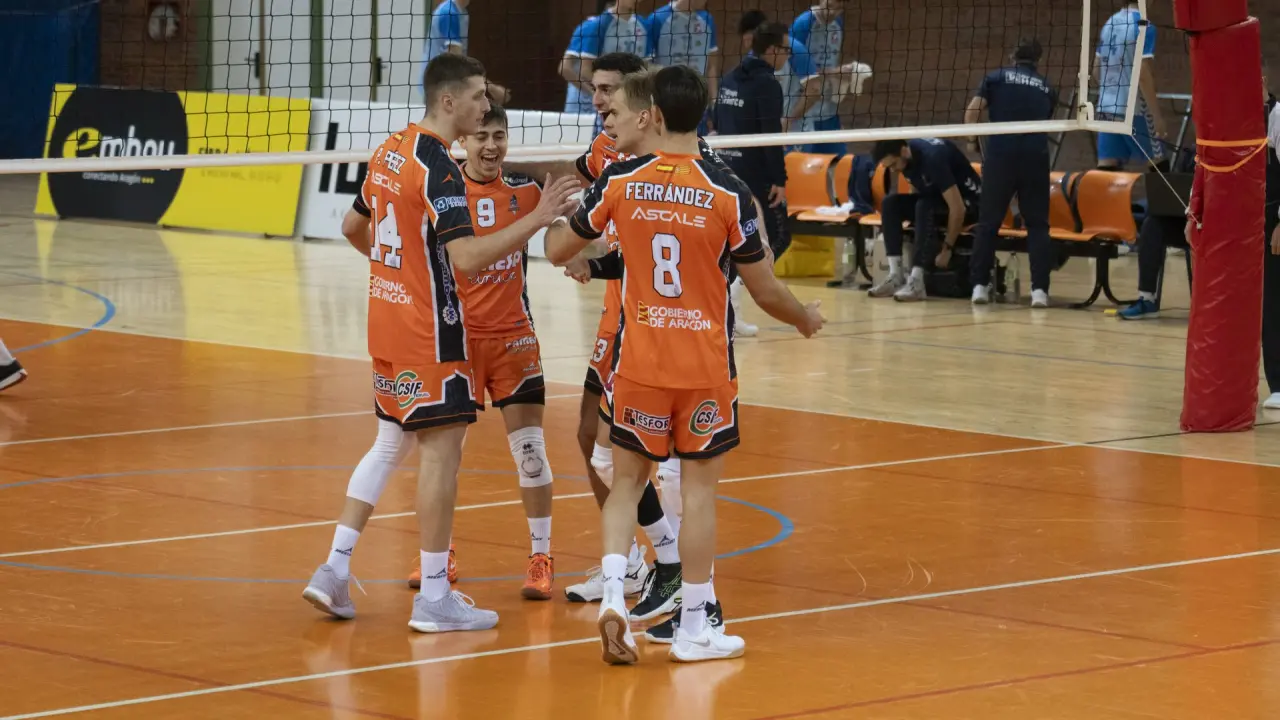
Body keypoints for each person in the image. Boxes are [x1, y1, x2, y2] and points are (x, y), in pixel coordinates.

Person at [544, 65, 825, 665]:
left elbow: (556, 248)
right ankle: (696, 626)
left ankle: (615, 596)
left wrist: (570, 229)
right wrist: (804, 318)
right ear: (704, 115)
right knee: (698, 493)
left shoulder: (621, 178)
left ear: (653, 115)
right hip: (704, 369)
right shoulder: (728, 189)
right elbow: (765, 289)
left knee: (625, 483)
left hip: (639, 363)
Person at [301, 53, 579, 632]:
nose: (486, 105)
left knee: (388, 444)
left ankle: (333, 569)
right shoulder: (438, 168)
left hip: (386, 323)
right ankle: (433, 596)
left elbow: (353, 228)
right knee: (439, 456)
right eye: (478, 96)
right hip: (432, 332)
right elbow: (468, 258)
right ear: (449, 102)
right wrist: (538, 218)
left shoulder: (388, 149)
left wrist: (400, 277)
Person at [508, 52, 683, 609]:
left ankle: (672, 568)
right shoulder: (609, 144)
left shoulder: (665, 154)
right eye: (595, 88)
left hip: (651, 323)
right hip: (616, 316)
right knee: (590, 437)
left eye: (608, 90)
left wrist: (587, 252)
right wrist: (516, 164)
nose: (598, 99)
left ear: (641, 101)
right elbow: (576, 172)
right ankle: (631, 563)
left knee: (647, 456)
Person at [400, 105, 557, 600]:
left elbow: (564, 232)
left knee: (531, 454)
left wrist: (579, 257)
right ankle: (439, 554)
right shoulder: (443, 192)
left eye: (499, 136)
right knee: (443, 460)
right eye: (481, 136)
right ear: (463, 140)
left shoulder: (528, 193)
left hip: (514, 340)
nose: (490, 146)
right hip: (458, 343)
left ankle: (541, 557)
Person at [964, 38, 1058, 308]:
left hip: (1001, 157)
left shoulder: (995, 78)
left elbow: (972, 113)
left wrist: (972, 141)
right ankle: (1039, 292)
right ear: (1039, 60)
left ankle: (979, 287)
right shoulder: (1048, 88)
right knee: (1038, 226)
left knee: (988, 223)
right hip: (1035, 158)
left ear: (1012, 56)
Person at [868, 138, 982, 302]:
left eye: (893, 164)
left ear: (903, 152)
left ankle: (917, 281)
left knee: (924, 206)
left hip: (971, 205)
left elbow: (958, 208)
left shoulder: (933, 159)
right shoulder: (907, 159)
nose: (893, 170)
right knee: (890, 204)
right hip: (939, 201)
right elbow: (919, 189)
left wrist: (947, 249)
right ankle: (895, 275)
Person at [713, 21, 791, 259]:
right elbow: (770, 135)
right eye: (786, 49)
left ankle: (735, 279)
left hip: (725, 170)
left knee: (735, 237)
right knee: (778, 237)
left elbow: (716, 121)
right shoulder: (768, 85)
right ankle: (744, 279)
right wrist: (779, 179)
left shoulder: (728, 78)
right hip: (756, 175)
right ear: (772, 50)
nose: (788, 55)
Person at [1094, 1, 1167, 171]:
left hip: (1106, 107)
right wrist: (1157, 117)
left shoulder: (1109, 23)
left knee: (1107, 167)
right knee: (1159, 165)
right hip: (1134, 108)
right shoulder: (1144, 25)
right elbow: (1142, 73)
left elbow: (1096, 70)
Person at [560, 0, 651, 115]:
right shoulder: (596, 25)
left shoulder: (643, 25)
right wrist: (608, 92)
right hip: (586, 103)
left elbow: (645, 66)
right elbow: (581, 69)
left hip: (621, 99)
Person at [645, 0, 721, 133]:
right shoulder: (657, 19)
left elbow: (712, 66)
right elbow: (648, 66)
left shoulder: (707, 19)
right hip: (666, 103)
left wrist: (714, 103)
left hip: (697, 101)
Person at [418, 0, 510, 104]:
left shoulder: (461, 12)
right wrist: (491, 87)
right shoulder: (449, 13)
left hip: (447, 84)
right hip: (438, 85)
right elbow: (456, 62)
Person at [789, 0, 846, 154]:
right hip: (803, 110)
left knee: (837, 160)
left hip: (828, 111)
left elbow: (832, 61)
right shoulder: (803, 24)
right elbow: (792, 66)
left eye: (839, 8)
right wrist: (836, 72)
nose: (833, 12)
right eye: (830, 6)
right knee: (804, 163)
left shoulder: (838, 24)